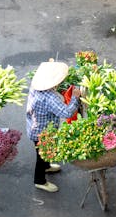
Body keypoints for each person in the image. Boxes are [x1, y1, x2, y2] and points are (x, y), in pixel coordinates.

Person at [26, 60, 81, 192]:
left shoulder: (36, 87)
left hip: (33, 126)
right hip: (42, 132)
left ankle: (47, 166)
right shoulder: (49, 97)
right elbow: (67, 112)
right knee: (41, 155)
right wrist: (75, 98)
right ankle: (39, 180)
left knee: (42, 152)